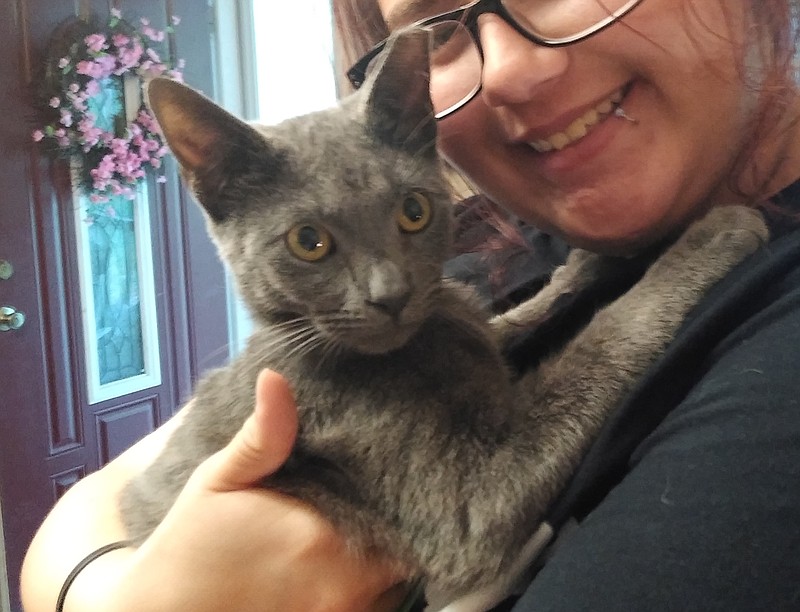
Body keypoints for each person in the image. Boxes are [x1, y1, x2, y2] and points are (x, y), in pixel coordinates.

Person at [20, 0, 800, 610]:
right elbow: (479, 519)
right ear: (218, 199)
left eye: (413, 218)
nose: (389, 287)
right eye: (313, 246)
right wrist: (116, 593)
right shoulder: (307, 374)